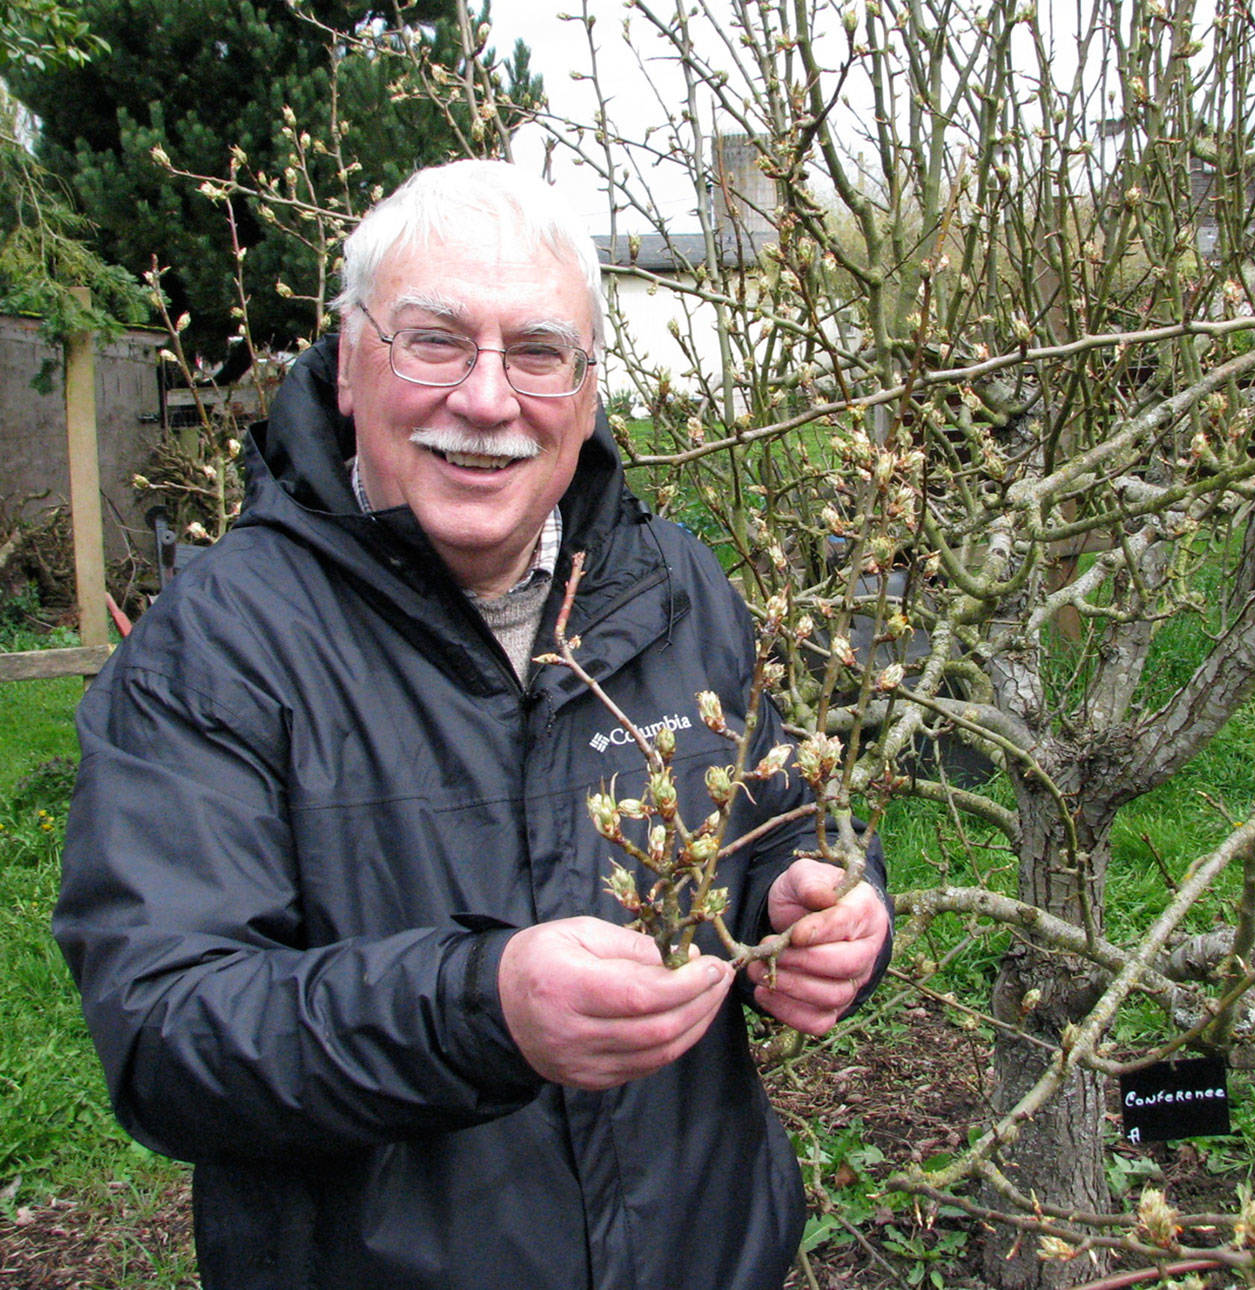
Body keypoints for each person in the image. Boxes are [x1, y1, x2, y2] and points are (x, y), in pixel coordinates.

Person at [55, 159, 892, 1290]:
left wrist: (832, 903)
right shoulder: (219, 647)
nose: (488, 400)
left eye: (537, 353)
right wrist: (477, 1010)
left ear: (587, 393)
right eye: (435, 341)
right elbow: (165, 1036)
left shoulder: (676, 588)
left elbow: (793, 815)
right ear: (352, 363)